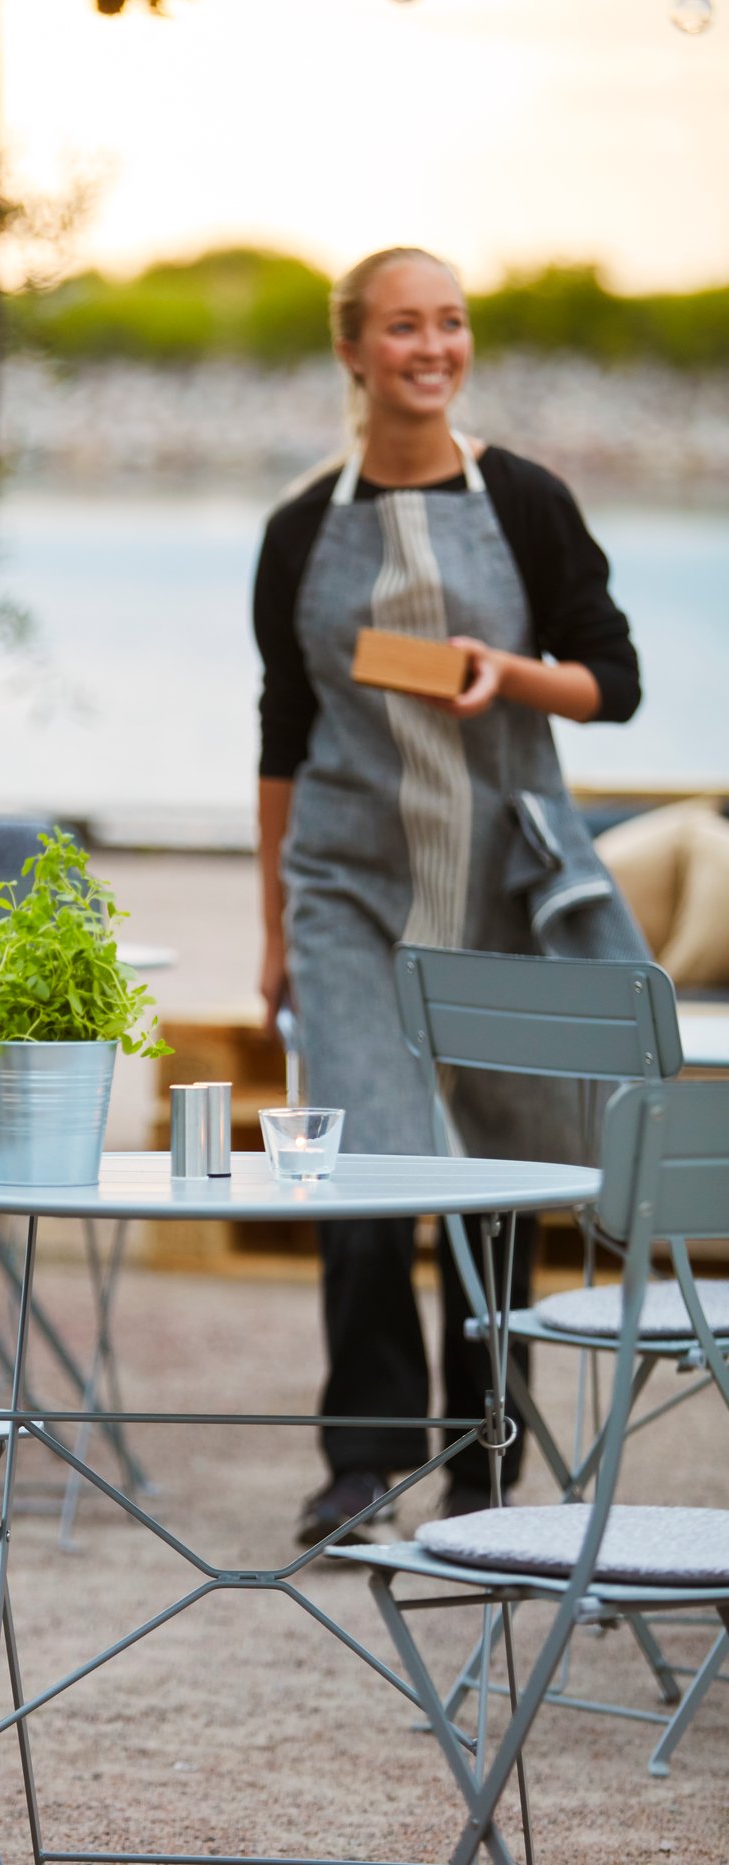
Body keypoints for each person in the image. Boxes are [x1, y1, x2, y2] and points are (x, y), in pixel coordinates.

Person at [251, 247, 648, 1546]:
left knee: (499, 1175)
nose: (433, 347)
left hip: (503, 884)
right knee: (365, 1164)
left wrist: (505, 672)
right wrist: (274, 929)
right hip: (348, 886)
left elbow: (613, 681)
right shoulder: (298, 528)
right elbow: (283, 731)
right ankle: (364, 1464)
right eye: (404, 326)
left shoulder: (525, 500)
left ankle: (485, 1461)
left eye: (453, 324)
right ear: (351, 350)